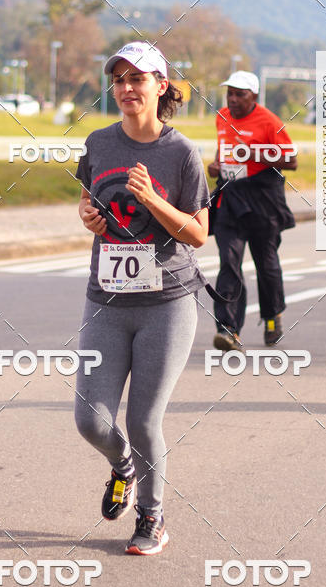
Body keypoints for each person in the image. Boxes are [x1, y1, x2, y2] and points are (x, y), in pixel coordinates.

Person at [74, 41, 210, 555]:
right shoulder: (98, 142)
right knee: (91, 419)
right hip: (105, 299)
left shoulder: (180, 153)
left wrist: (153, 198)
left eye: (139, 79)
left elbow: (198, 234)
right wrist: (87, 217)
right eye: (120, 79)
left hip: (167, 303)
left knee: (143, 420)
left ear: (162, 88)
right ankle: (123, 468)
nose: (127, 88)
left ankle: (151, 517)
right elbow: (90, 200)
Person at [208, 70, 297, 350]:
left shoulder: (269, 121)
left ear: (254, 96)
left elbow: (291, 160)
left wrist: (255, 153)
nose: (233, 100)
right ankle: (228, 329)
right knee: (229, 263)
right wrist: (216, 165)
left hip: (263, 197)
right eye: (230, 93)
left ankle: (272, 317)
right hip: (231, 195)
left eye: (240, 94)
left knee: (266, 263)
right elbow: (223, 150)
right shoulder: (222, 116)